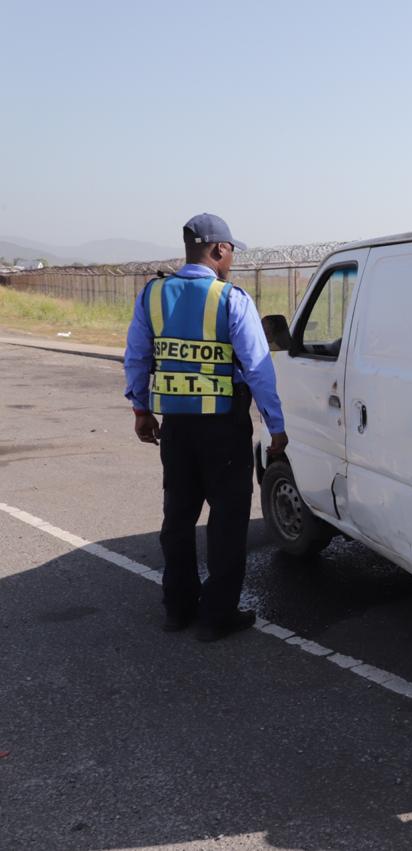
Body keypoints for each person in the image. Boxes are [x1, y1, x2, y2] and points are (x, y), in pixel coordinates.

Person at [123, 213, 288, 642]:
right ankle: (217, 616)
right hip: (223, 428)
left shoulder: (153, 296)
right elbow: (258, 369)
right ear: (218, 250)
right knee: (227, 522)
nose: (231, 259)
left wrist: (142, 410)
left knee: (178, 519)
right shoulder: (230, 299)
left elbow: (137, 357)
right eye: (231, 250)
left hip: (175, 429)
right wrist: (276, 426)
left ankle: (177, 609)